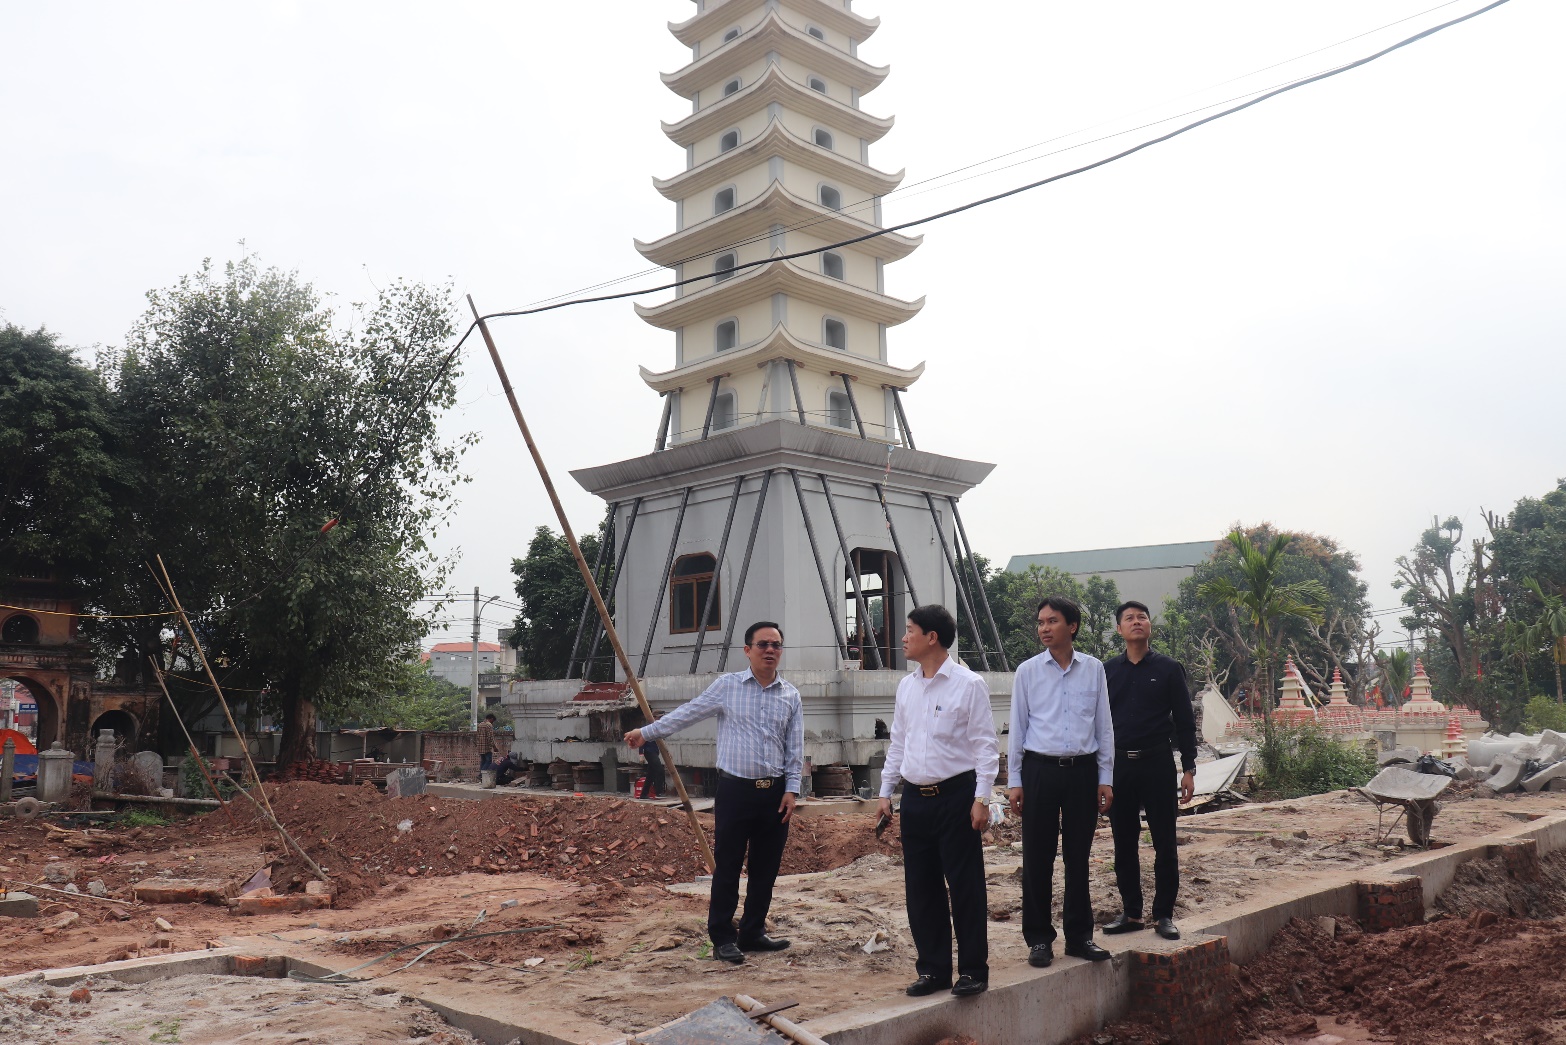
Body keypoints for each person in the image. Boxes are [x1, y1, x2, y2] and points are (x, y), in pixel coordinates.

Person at [625, 621, 802, 965]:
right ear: (747, 650)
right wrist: (646, 733)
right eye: (763, 644)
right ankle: (722, 937)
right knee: (728, 866)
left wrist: (792, 789)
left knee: (766, 869)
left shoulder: (790, 695)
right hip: (736, 791)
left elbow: (794, 747)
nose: (770, 650)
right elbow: (689, 713)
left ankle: (753, 932)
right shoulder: (728, 686)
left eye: (776, 645)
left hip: (775, 794)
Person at [879, 605, 998, 998]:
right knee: (921, 887)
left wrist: (982, 798)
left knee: (965, 886)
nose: (903, 637)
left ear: (932, 637)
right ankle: (933, 970)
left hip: (956, 796)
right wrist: (885, 791)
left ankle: (973, 970)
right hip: (915, 798)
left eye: (909, 630)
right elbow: (898, 742)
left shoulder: (968, 684)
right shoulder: (907, 687)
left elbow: (985, 746)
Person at [1008, 596, 1114, 968]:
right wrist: (1015, 780)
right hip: (1039, 770)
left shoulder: (1094, 669)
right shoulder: (1027, 672)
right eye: (1040, 622)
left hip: (1082, 772)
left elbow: (1103, 726)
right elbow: (1017, 727)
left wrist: (1105, 777)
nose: (1044, 628)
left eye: (1052, 621)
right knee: (1037, 857)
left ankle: (1080, 937)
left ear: (1072, 626)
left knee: (1078, 857)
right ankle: (1039, 939)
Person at [1102, 601, 1198, 941]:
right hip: (1119, 766)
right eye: (1129, 618)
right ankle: (1131, 913)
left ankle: (1164, 915)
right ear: (1119, 629)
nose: (1136, 622)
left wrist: (1189, 767)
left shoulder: (1169, 668)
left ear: (1149, 625)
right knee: (1124, 843)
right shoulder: (1107, 671)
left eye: (1142, 617)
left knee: (1165, 842)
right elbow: (1097, 723)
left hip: (1157, 763)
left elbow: (1185, 721)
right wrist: (1100, 775)